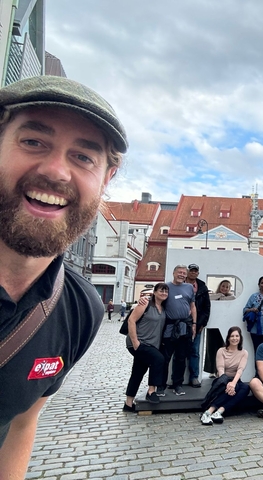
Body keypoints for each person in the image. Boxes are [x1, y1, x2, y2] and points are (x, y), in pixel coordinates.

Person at [0, 75, 127, 477]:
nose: (57, 171)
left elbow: (22, 421)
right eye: (33, 141)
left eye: (83, 157)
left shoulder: (78, 307)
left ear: (106, 180)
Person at [123, 283, 169, 412]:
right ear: (154, 292)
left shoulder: (164, 307)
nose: (164, 293)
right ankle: (151, 391)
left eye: (166, 291)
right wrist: (135, 341)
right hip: (139, 343)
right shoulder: (146, 304)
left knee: (138, 371)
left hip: (152, 344)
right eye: (161, 290)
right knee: (159, 359)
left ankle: (128, 403)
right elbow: (131, 320)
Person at [158, 265, 197, 396]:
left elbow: (192, 306)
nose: (181, 275)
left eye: (184, 273)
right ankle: (161, 386)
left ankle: (177, 384)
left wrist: (194, 323)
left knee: (181, 358)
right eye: (179, 272)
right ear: (173, 273)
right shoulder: (166, 287)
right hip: (169, 328)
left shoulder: (189, 288)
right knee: (165, 358)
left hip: (184, 328)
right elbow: (158, 302)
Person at [200, 327, 249, 425]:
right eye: (232, 336)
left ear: (240, 338)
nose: (234, 338)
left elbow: (240, 370)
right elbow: (220, 369)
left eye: (237, 336)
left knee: (246, 388)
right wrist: (227, 383)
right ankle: (208, 412)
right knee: (236, 387)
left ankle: (219, 412)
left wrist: (233, 383)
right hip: (222, 380)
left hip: (235, 379)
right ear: (228, 338)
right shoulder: (221, 351)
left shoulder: (244, 353)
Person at [185, 264, 211, 388]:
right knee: (178, 352)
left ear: (198, 273)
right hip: (181, 323)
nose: (193, 273)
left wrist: (202, 323)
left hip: (197, 324)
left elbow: (207, 308)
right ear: (187, 272)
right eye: (191, 271)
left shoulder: (202, 287)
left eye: (195, 271)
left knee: (195, 351)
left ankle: (194, 377)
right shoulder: (180, 284)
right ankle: (176, 379)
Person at [204, 280, 236, 377]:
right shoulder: (214, 295)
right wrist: (219, 295)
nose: (224, 288)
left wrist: (222, 298)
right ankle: (211, 370)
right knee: (211, 348)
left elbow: (233, 298)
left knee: (223, 348)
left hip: (224, 325)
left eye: (227, 287)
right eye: (223, 286)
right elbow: (209, 298)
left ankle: (220, 370)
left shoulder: (231, 297)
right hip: (213, 326)